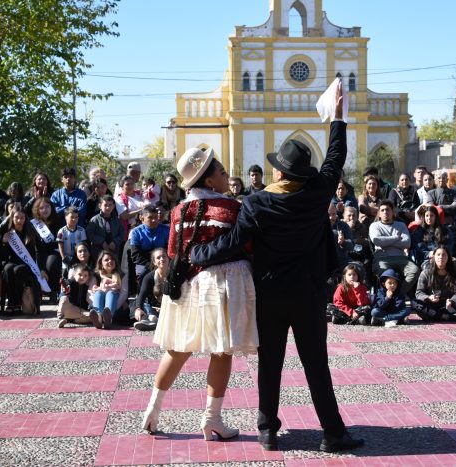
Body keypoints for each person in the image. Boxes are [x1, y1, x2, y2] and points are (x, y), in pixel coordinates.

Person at [190, 84, 364, 452]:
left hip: (269, 294)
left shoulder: (257, 202)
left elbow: (233, 243)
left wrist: (200, 254)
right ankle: (333, 433)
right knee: (317, 365)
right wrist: (338, 117)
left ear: (279, 170)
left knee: (270, 364)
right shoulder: (318, 192)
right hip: (309, 294)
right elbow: (335, 157)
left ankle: (268, 430)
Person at [145, 147, 258, 445]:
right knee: (221, 350)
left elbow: (172, 252)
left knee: (177, 347)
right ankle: (212, 419)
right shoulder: (231, 208)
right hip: (222, 283)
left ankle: (152, 410)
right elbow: (246, 245)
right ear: (209, 181)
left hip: (185, 285)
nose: (226, 177)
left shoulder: (178, 210)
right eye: (221, 173)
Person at [0, 206, 48, 314]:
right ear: (12, 218)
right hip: (12, 262)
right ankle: (11, 303)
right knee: (7, 269)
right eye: (16, 218)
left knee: (18, 270)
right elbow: (3, 256)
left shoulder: (31, 231)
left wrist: (41, 268)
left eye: (22, 218)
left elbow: (41, 250)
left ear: (26, 218)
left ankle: (17, 303)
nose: (19, 221)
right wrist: (4, 243)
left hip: (28, 264)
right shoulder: (8, 232)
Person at [369, 200, 419, 295]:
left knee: (414, 270)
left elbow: (407, 243)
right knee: (388, 275)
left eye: (387, 210)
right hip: (382, 259)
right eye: (382, 210)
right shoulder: (374, 226)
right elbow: (377, 240)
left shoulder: (401, 225)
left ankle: (398, 294)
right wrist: (396, 237)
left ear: (393, 212)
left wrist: (385, 242)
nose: (385, 212)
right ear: (379, 213)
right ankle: (387, 296)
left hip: (401, 258)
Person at [413, 246, 456, 321]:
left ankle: (435, 315)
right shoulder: (425, 273)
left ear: (448, 258)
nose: (441, 257)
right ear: (433, 257)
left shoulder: (454, 273)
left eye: (444, 255)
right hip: (431, 304)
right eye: (438, 254)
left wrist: (451, 301)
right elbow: (419, 293)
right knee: (414, 303)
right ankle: (444, 316)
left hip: (447, 305)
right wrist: (428, 297)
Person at [129, 206, 170, 281]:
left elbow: (170, 250)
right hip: (144, 263)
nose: (154, 220)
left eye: (156, 217)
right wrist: (151, 265)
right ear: (142, 218)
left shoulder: (166, 230)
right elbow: (135, 255)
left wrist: (161, 262)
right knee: (143, 279)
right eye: (150, 218)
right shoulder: (136, 232)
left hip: (163, 260)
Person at [31, 197, 62, 297]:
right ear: (37, 210)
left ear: (51, 208)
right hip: (38, 252)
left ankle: (53, 291)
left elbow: (57, 242)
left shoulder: (57, 222)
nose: (45, 210)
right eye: (41, 208)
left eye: (47, 207)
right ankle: (39, 292)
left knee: (51, 263)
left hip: (53, 251)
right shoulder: (33, 224)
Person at [132, 248, 169, 331]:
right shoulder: (149, 277)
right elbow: (142, 295)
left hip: (169, 307)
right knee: (145, 306)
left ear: (168, 258)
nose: (162, 259)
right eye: (158, 258)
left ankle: (153, 321)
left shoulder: (174, 275)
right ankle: (149, 320)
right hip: (153, 308)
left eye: (164, 256)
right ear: (154, 262)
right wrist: (138, 308)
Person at [89, 250, 128, 329]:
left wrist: (113, 307)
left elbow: (124, 293)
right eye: (106, 260)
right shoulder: (96, 275)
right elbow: (89, 294)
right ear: (101, 263)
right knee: (98, 293)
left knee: (111, 293)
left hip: (116, 306)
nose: (110, 261)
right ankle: (99, 318)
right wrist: (98, 290)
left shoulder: (121, 275)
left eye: (112, 259)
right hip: (98, 305)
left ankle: (108, 318)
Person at [86, 194, 124, 263]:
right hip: (98, 251)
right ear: (100, 206)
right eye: (105, 205)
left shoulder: (117, 220)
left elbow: (122, 233)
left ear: (113, 206)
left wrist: (115, 242)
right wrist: (101, 242)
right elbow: (90, 234)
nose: (108, 207)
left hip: (114, 250)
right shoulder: (94, 220)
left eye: (110, 205)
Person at [58, 263, 94, 328]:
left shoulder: (86, 287)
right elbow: (66, 284)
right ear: (74, 275)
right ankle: (62, 315)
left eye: (85, 276)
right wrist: (65, 289)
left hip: (80, 311)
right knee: (64, 298)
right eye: (80, 274)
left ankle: (69, 320)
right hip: (70, 308)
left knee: (91, 317)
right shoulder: (71, 283)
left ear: (88, 278)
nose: (82, 277)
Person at [57, 206, 87, 276]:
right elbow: (60, 246)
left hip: (79, 257)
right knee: (65, 274)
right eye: (72, 217)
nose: (74, 219)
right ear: (66, 217)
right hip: (67, 258)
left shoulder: (81, 230)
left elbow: (84, 244)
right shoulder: (61, 231)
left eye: (76, 217)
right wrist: (64, 258)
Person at [115, 175, 145, 239]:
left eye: (132, 184)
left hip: (145, 226)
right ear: (122, 186)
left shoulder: (140, 194)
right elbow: (124, 216)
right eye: (127, 184)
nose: (130, 186)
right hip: (131, 229)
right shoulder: (120, 199)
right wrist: (141, 210)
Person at [328, 203, 353, 276]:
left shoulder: (343, 225)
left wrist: (343, 242)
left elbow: (351, 245)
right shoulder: (319, 225)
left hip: (341, 263)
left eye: (333, 214)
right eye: (328, 215)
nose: (331, 217)